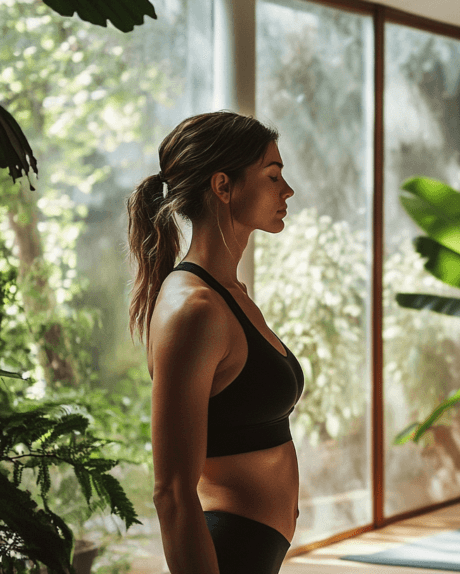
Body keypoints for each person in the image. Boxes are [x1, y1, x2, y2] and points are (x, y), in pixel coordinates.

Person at [126, 111, 303, 574]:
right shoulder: (194, 309)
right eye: (273, 176)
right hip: (228, 552)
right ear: (223, 186)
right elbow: (172, 491)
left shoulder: (231, 295)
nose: (287, 191)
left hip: (258, 548)